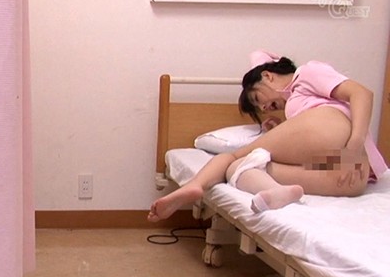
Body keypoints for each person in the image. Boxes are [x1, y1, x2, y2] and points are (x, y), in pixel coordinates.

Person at [148, 50, 387, 222]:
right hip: (352, 180)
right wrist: (280, 127)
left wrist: (354, 148)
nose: (263, 108)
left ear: (268, 76)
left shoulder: (307, 74)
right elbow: (303, 142)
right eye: (259, 109)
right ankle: (277, 191)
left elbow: (362, 94)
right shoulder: (295, 105)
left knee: (234, 157)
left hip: (341, 142)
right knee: (239, 168)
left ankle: (196, 185)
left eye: (257, 99)